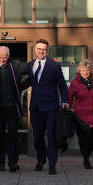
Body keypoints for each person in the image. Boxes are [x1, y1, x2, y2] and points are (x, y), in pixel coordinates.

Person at [26, 39, 69, 175]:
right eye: (39, 48)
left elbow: (62, 84)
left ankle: (52, 164)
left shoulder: (54, 65)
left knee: (51, 136)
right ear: (35, 49)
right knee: (38, 136)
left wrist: (65, 100)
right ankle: (40, 160)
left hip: (51, 107)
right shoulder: (30, 65)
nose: (41, 51)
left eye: (44, 49)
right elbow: (30, 81)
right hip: (36, 108)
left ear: (47, 50)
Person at [68, 59, 93, 169]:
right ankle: (86, 160)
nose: (85, 72)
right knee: (83, 139)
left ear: (90, 71)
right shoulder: (74, 83)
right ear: (79, 71)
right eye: (83, 70)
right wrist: (66, 109)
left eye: (87, 70)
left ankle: (86, 156)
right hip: (81, 116)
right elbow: (69, 98)